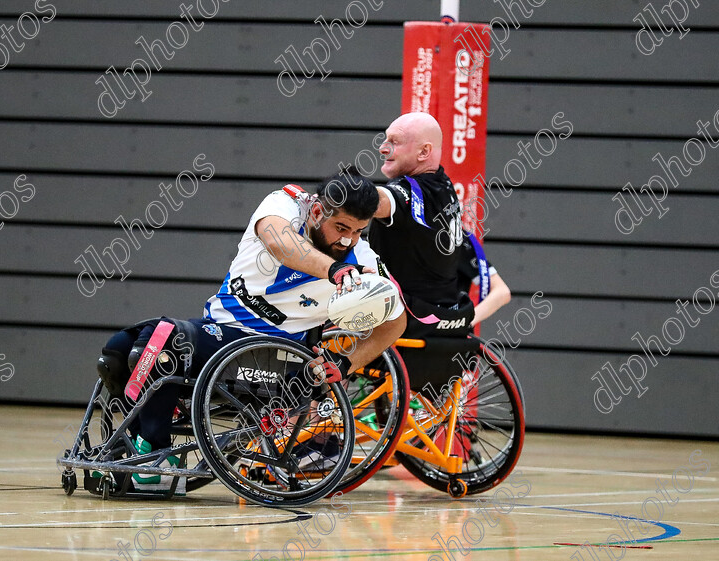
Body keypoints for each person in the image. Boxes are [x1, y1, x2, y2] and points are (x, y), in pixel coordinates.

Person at [96, 167, 406, 494]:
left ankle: (156, 460)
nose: (348, 240)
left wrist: (344, 365)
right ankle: (136, 442)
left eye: (358, 231)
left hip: (274, 358)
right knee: (119, 350)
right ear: (316, 211)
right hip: (218, 334)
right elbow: (278, 242)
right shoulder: (285, 204)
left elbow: (396, 321)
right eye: (341, 227)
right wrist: (334, 270)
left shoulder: (363, 262)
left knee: (164, 338)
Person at [369, 112, 474, 340]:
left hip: (406, 321)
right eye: (385, 140)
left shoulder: (412, 190)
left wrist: (337, 193)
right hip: (445, 323)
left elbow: (379, 200)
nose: (383, 149)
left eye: (394, 142)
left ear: (424, 152)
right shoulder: (443, 185)